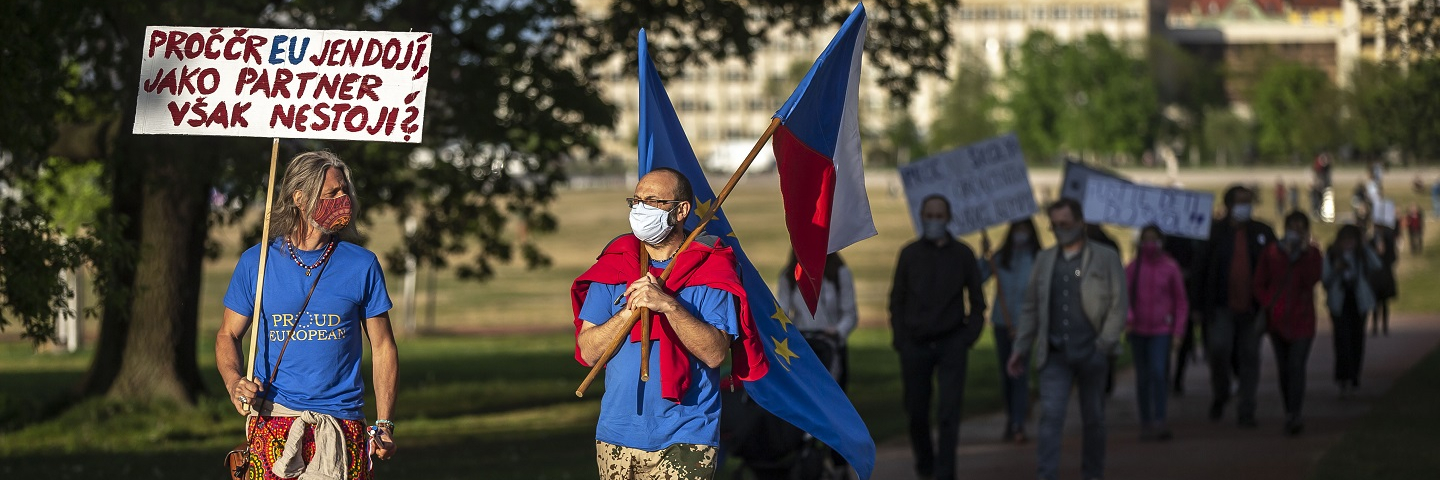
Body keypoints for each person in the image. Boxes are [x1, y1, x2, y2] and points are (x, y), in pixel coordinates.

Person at [216, 151, 399, 480]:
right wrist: (233, 383)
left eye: (345, 192)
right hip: (273, 420)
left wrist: (384, 423)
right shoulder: (256, 263)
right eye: (332, 193)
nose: (344, 200)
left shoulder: (362, 264)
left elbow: (383, 346)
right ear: (299, 198)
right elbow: (228, 335)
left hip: (343, 426)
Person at [571, 168, 763, 480]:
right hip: (616, 435)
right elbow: (589, 350)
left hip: (687, 437)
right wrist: (626, 312)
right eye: (635, 201)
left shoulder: (711, 270)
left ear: (681, 210)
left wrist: (669, 305)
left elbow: (715, 353)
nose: (639, 209)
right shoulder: (614, 266)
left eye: (651, 201)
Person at [1008, 198, 1126, 480]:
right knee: (1050, 417)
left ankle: (1092, 473)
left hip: (1092, 352)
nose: (1061, 229)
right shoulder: (1045, 260)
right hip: (1055, 354)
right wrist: (1020, 348)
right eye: (1055, 225)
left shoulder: (1105, 257)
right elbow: (1031, 308)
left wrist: (1105, 344)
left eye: (1066, 224)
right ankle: (1046, 474)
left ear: (1080, 222)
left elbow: (1118, 305)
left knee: (1094, 418)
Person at [889, 195, 986, 480]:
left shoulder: (963, 255)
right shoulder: (909, 254)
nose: (934, 220)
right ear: (921, 217)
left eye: (939, 215)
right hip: (915, 344)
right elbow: (897, 298)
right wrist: (901, 338)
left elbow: (977, 300)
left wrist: (969, 336)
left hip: (951, 342)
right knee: (917, 412)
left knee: (949, 412)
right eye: (929, 215)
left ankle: (946, 473)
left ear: (948, 218)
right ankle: (925, 467)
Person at [1197, 185, 1276, 428]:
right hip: (1221, 306)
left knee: (1249, 357)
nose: (1245, 207)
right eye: (1241, 202)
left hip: (1252, 308)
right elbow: (1201, 269)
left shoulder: (1261, 232)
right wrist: (1198, 305)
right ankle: (1222, 392)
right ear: (1229, 205)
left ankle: (1246, 408)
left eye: (1248, 202)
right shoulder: (1214, 234)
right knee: (1219, 350)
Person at [1254, 211, 1323, 436]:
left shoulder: (1311, 254)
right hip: (1278, 318)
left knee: (1296, 365)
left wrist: (1303, 254)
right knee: (1284, 368)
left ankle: (1295, 412)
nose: (1297, 231)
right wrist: (1268, 304)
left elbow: (1312, 279)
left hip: (1302, 318)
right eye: (1293, 227)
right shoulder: (1272, 252)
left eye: (1301, 227)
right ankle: (1289, 410)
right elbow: (1260, 283)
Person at [980, 218, 1041, 444]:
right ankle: (1011, 416)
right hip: (1001, 323)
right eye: (1017, 230)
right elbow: (979, 276)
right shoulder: (1000, 257)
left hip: (1025, 326)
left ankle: (1018, 422)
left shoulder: (1038, 259)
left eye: (1024, 230)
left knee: (1020, 374)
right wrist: (984, 256)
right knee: (1006, 375)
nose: (1020, 235)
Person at [1125, 225, 1188, 441]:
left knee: (1159, 373)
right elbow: (1124, 297)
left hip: (1162, 329)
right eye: (1146, 239)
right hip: (1138, 330)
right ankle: (1146, 421)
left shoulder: (1170, 268)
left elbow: (1180, 301)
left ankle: (1160, 418)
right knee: (1142, 378)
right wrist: (1129, 318)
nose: (1150, 244)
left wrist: (1178, 331)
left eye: (1154, 239)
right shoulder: (1133, 268)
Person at [776, 251, 857, 387]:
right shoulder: (789, 275)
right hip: (802, 344)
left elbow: (850, 314)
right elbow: (782, 312)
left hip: (831, 345)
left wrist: (837, 331)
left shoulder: (839, 273)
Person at [1324, 224, 1383, 395]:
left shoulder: (1362, 254)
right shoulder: (1332, 254)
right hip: (1339, 300)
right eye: (1345, 241)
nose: (1348, 244)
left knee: (1357, 338)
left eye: (1352, 240)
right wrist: (1336, 270)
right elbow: (1325, 278)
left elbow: (1377, 264)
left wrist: (1364, 248)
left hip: (1358, 301)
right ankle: (1343, 375)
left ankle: (1354, 374)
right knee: (1341, 339)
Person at [1368, 223, 1398, 337]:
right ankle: (1375, 326)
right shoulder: (1371, 242)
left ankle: (1385, 326)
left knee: (1385, 303)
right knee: (1375, 303)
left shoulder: (1388, 242)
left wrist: (1385, 253)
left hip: (1385, 275)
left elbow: (1393, 257)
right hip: (1375, 277)